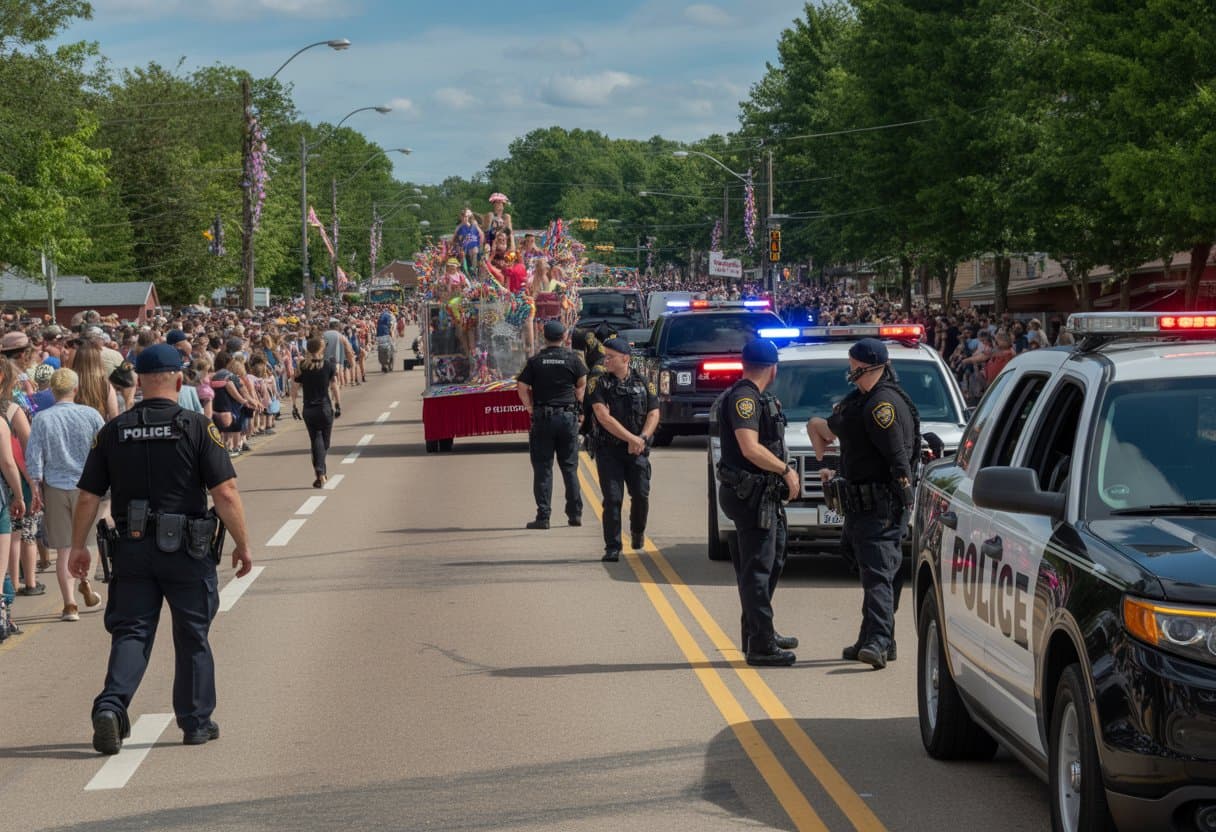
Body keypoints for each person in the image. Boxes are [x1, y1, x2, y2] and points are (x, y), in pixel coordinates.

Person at [68, 343, 253, 754]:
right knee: (192, 635)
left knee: (131, 632)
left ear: (137, 380)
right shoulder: (195, 426)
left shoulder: (113, 430)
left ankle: (112, 706)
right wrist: (242, 544)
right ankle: (196, 722)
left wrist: (77, 547)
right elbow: (224, 491)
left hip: (131, 549)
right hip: (187, 550)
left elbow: (87, 497)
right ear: (180, 378)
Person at [807, 338, 917, 670]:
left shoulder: (882, 405)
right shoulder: (866, 398)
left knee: (878, 574)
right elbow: (839, 420)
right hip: (861, 505)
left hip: (880, 504)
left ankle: (879, 643)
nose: (850, 373)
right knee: (870, 567)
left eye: (854, 368)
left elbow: (898, 457)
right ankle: (873, 635)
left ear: (867, 367)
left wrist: (904, 497)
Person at [713, 339, 801, 667]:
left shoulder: (758, 396)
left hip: (763, 495)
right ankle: (760, 645)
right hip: (750, 495)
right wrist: (786, 471)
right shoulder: (744, 399)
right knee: (758, 569)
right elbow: (749, 448)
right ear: (773, 368)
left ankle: (760, 630)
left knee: (772, 561)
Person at [25, 369, 106, 621]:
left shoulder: (42, 418)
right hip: (87, 487)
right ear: (75, 389)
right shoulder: (90, 414)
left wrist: (35, 487)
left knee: (63, 549)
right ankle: (84, 582)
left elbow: (34, 456)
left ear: (52, 390)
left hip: (56, 486)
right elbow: (104, 448)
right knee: (84, 543)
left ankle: (70, 604)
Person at [588, 337, 659, 562]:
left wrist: (642, 438)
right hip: (609, 451)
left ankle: (637, 531)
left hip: (637, 450)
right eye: (605, 356)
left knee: (640, 495)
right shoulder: (600, 383)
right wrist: (631, 438)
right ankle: (613, 546)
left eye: (610, 357)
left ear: (625, 359)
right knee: (612, 499)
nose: (605, 360)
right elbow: (603, 417)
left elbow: (654, 413)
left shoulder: (643, 382)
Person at [515, 320, 587, 530]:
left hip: (543, 419)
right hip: (567, 418)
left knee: (543, 469)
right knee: (570, 468)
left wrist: (529, 408)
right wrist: (579, 407)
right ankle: (575, 514)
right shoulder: (573, 359)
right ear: (565, 337)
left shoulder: (536, 361)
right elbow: (582, 383)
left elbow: (521, 385)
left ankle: (543, 517)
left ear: (544, 337)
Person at [290, 337, 337, 488]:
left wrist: (294, 405)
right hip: (324, 407)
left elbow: (295, 388)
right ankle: (321, 471)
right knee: (325, 443)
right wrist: (338, 403)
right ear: (321, 349)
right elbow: (334, 386)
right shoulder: (328, 365)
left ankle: (320, 474)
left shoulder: (302, 366)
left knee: (316, 440)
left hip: (309, 408)